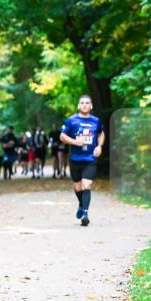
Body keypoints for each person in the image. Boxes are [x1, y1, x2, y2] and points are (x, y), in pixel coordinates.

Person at [59, 94, 104, 226]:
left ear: (91, 106)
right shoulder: (71, 120)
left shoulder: (96, 121)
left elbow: (101, 134)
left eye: (87, 103)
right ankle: (81, 203)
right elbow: (62, 136)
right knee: (78, 187)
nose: (84, 105)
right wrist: (75, 142)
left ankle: (85, 214)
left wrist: (99, 146)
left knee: (86, 185)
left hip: (90, 159)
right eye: (82, 103)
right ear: (79, 105)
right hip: (75, 159)